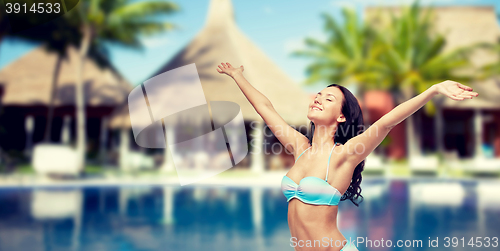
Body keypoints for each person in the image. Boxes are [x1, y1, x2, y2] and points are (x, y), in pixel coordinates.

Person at [216, 62, 478, 250]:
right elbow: (264, 107)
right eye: (318, 95)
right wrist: (237, 76)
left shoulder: (344, 155)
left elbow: (386, 123)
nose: (317, 99)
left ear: (341, 116)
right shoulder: (300, 147)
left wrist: (432, 90)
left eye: (328, 99)